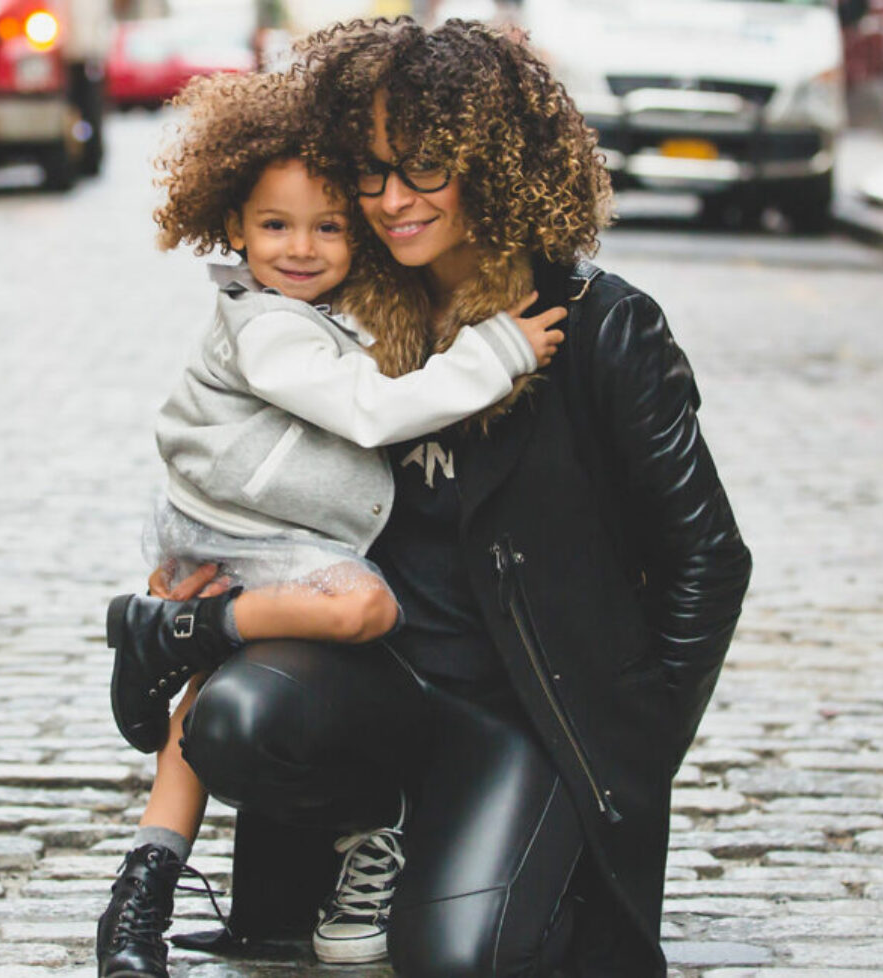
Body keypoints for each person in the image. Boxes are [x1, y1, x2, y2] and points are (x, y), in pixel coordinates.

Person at [149, 18, 751, 978]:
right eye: (372, 171)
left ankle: (504, 845)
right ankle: (376, 835)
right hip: (380, 687)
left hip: (526, 713)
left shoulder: (602, 328)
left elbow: (707, 560)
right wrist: (202, 577)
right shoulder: (338, 309)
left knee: (460, 960)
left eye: (424, 168)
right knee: (237, 722)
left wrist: (625, 756)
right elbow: (248, 464)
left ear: (494, 161)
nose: (391, 199)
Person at [96, 68, 567, 978]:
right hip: (245, 533)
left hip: (236, 530)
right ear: (234, 227)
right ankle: (172, 630)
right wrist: (499, 351)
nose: (302, 248)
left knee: (206, 697)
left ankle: (141, 890)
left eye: (329, 227)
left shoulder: (321, 310)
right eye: (276, 226)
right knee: (362, 609)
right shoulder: (269, 326)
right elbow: (367, 412)